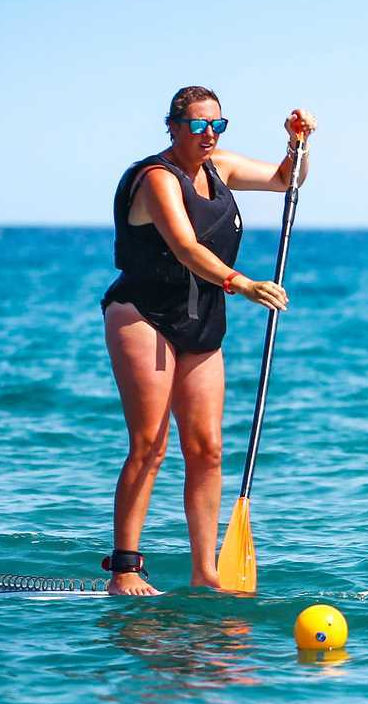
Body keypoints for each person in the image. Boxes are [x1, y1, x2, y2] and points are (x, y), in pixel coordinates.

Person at [100, 85, 313, 595]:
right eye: (197, 126)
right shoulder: (156, 178)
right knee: (150, 445)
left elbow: (289, 181)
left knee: (208, 449)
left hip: (200, 320)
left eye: (217, 125)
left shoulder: (222, 167)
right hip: (143, 316)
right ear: (173, 127)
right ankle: (125, 568)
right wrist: (243, 283)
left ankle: (206, 572)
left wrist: (298, 145)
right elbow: (185, 245)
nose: (209, 135)